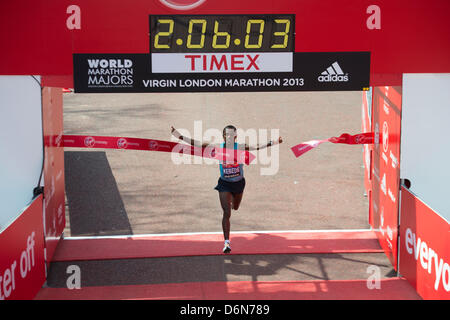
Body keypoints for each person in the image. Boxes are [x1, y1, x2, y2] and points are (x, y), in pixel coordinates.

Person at [171, 125, 283, 253]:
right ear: (223, 136)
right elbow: (198, 144)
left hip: (238, 183)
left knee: (235, 207)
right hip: (224, 184)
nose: (229, 136)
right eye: (226, 134)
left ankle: (232, 203)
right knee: (227, 212)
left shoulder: (240, 147)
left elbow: (256, 146)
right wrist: (180, 136)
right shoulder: (217, 147)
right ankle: (227, 243)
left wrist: (273, 142)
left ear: (235, 136)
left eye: (231, 134)